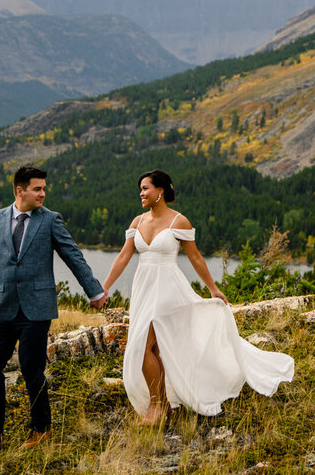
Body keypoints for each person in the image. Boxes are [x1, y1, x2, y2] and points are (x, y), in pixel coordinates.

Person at [101, 169, 294, 424]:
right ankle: (164, 404)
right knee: (155, 347)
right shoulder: (137, 222)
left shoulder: (179, 221)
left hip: (168, 288)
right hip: (143, 288)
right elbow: (124, 256)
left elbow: (195, 257)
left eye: (146, 188)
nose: (141, 193)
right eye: (140, 188)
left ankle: (157, 406)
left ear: (160, 191)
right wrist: (103, 289)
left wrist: (213, 288)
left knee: (142, 345)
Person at [0, 165, 107, 451]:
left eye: (44, 188)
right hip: (1, 308)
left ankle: (40, 430)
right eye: (37, 188)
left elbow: (72, 256)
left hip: (36, 309)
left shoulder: (50, 220)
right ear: (20, 190)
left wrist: (94, 290)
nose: (43, 193)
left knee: (32, 369)